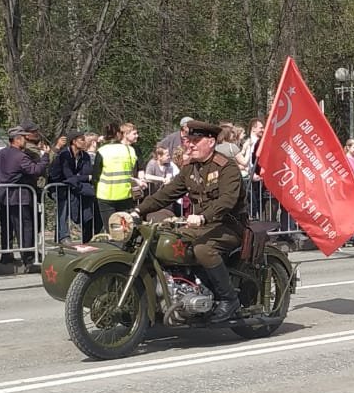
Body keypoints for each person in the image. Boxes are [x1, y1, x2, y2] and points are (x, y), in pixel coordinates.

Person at [136, 119, 247, 322]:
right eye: (189, 140)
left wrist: (204, 217)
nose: (190, 144)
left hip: (228, 225)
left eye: (196, 140)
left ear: (211, 142)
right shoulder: (190, 168)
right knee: (165, 240)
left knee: (203, 249)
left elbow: (227, 200)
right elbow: (166, 193)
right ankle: (183, 289)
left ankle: (229, 299)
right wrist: (137, 211)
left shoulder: (226, 167)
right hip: (200, 225)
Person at [0, 126, 49, 268]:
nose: (25, 140)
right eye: (23, 138)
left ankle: (6, 255)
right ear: (17, 140)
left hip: (3, 196)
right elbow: (35, 170)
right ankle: (28, 258)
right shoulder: (20, 156)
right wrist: (45, 157)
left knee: (7, 226)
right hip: (19, 197)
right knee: (25, 227)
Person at [48, 129, 97, 243]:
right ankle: (64, 236)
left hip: (73, 186)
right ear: (74, 141)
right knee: (63, 205)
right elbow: (67, 175)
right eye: (82, 139)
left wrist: (81, 178)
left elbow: (86, 173)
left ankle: (84, 236)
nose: (85, 142)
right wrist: (82, 178)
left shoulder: (84, 155)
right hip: (58, 186)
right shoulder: (64, 154)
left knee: (85, 203)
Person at [93, 119, 139, 229]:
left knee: (111, 229)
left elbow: (96, 175)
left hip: (105, 195)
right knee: (125, 229)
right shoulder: (130, 150)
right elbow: (132, 169)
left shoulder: (102, 151)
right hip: (125, 195)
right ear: (119, 134)